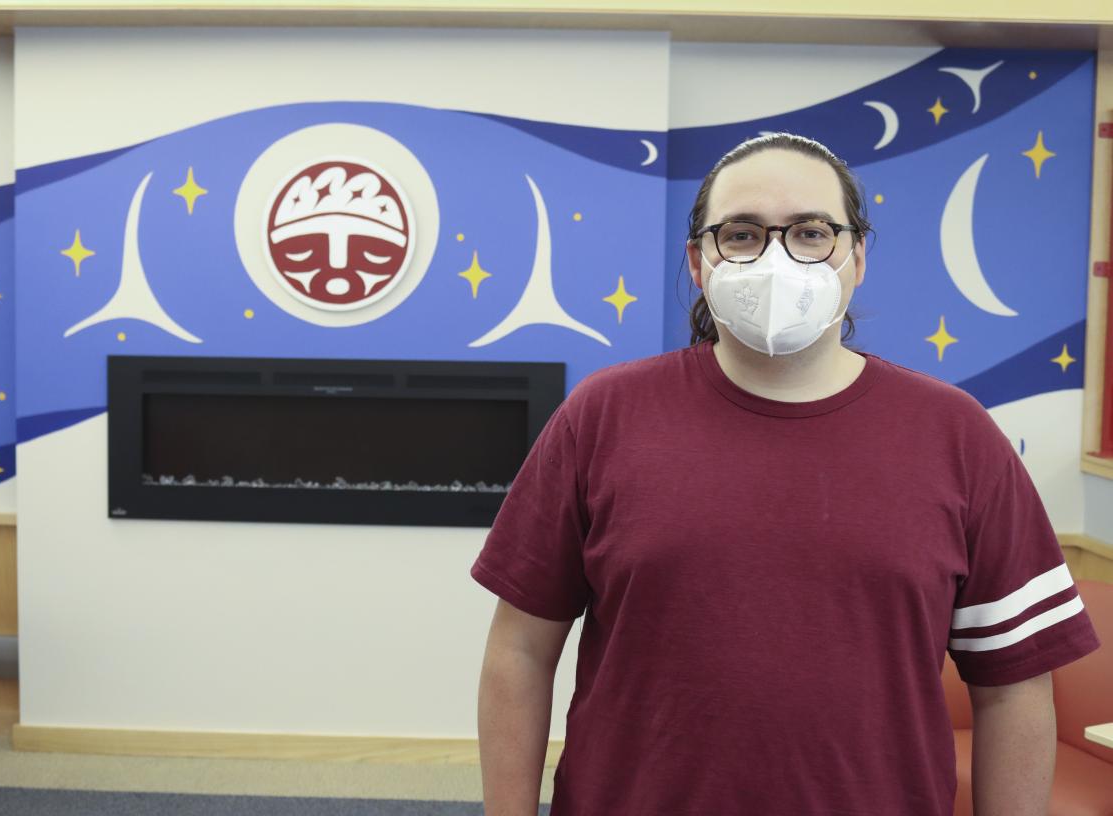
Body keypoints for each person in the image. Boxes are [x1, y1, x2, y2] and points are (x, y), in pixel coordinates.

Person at [471, 132, 1101, 815]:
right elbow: (521, 651)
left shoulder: (957, 434)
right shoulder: (603, 416)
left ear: (858, 255)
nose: (776, 257)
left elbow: (1013, 684)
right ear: (699, 260)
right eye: (741, 234)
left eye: (810, 232)